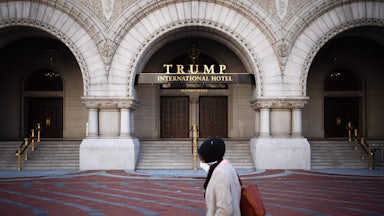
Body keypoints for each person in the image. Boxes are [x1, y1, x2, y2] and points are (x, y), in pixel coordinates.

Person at [198, 138, 241, 216]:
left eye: (202, 158)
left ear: (210, 155)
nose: (201, 161)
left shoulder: (220, 174)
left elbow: (224, 210)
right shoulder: (227, 166)